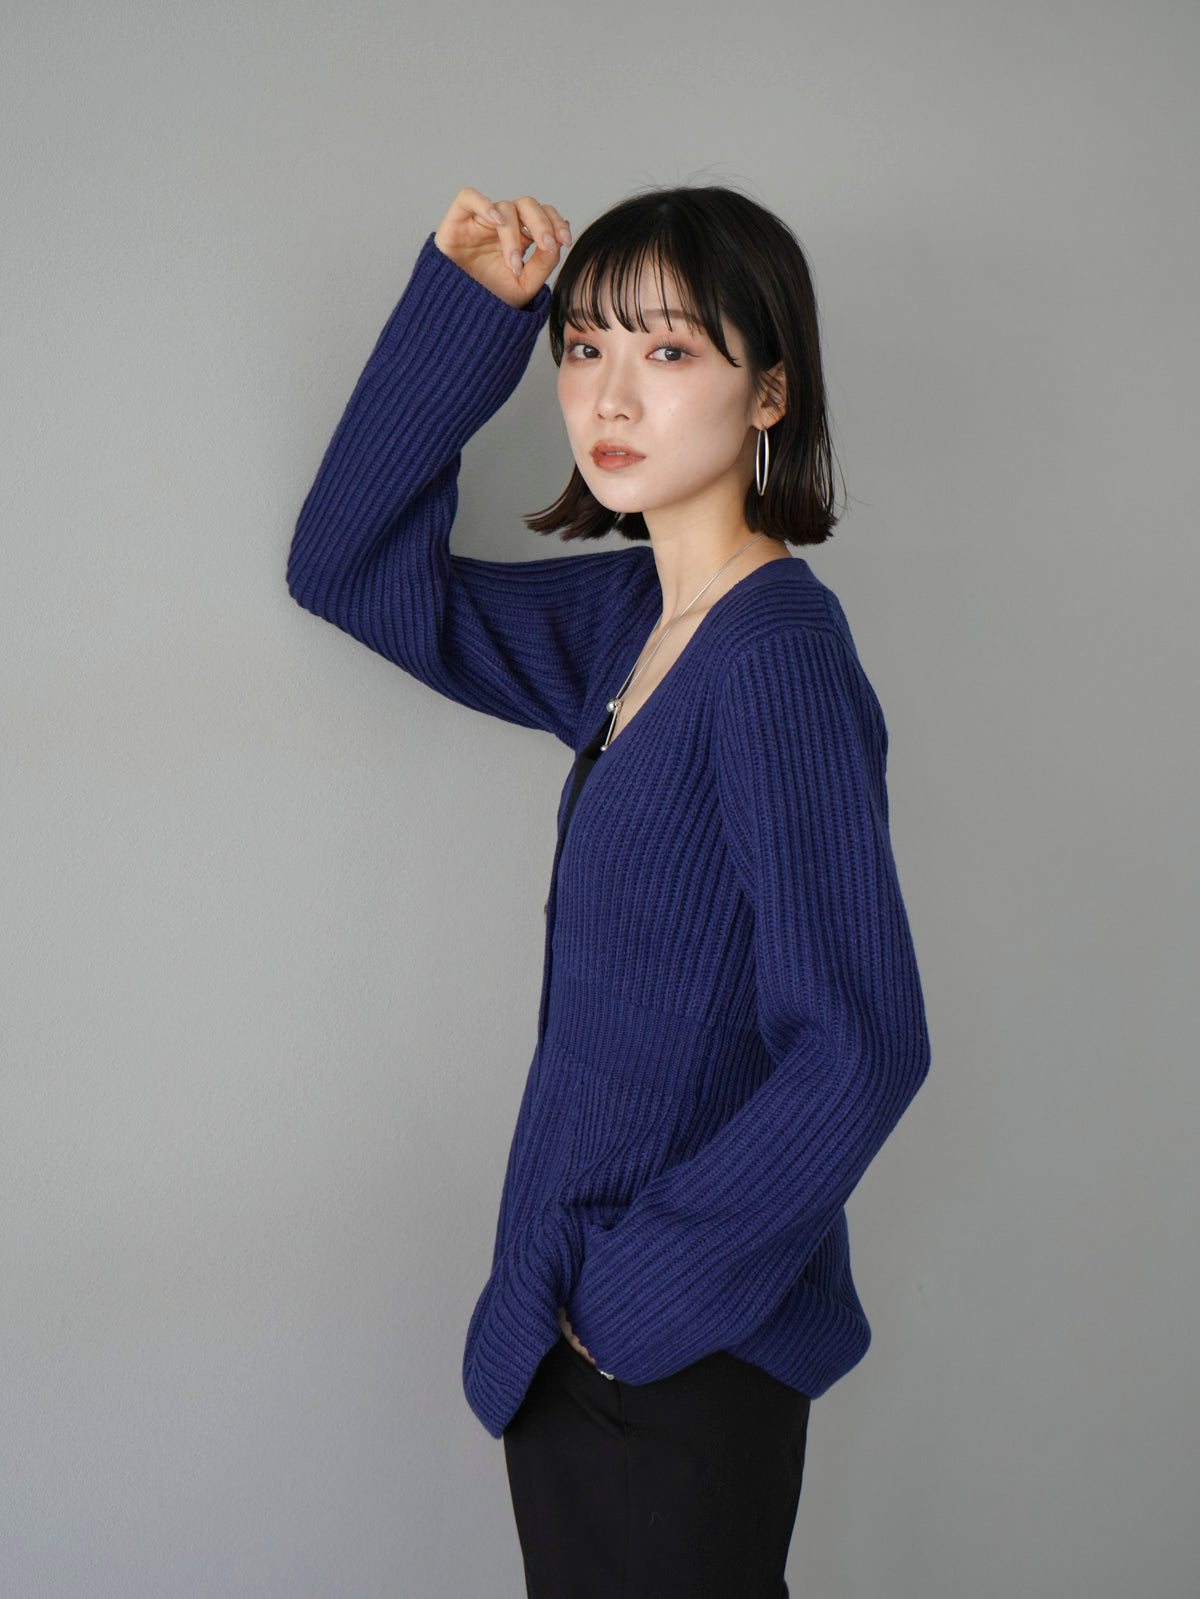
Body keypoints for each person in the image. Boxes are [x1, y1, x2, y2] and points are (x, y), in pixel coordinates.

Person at [288, 182, 931, 1598]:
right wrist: (473, 312)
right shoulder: (632, 622)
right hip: (577, 1332)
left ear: (770, 394)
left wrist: (640, 1300)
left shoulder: (776, 657)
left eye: (670, 350)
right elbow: (347, 570)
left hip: (670, 1350)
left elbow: (863, 1039)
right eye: (584, 347)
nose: (610, 396)